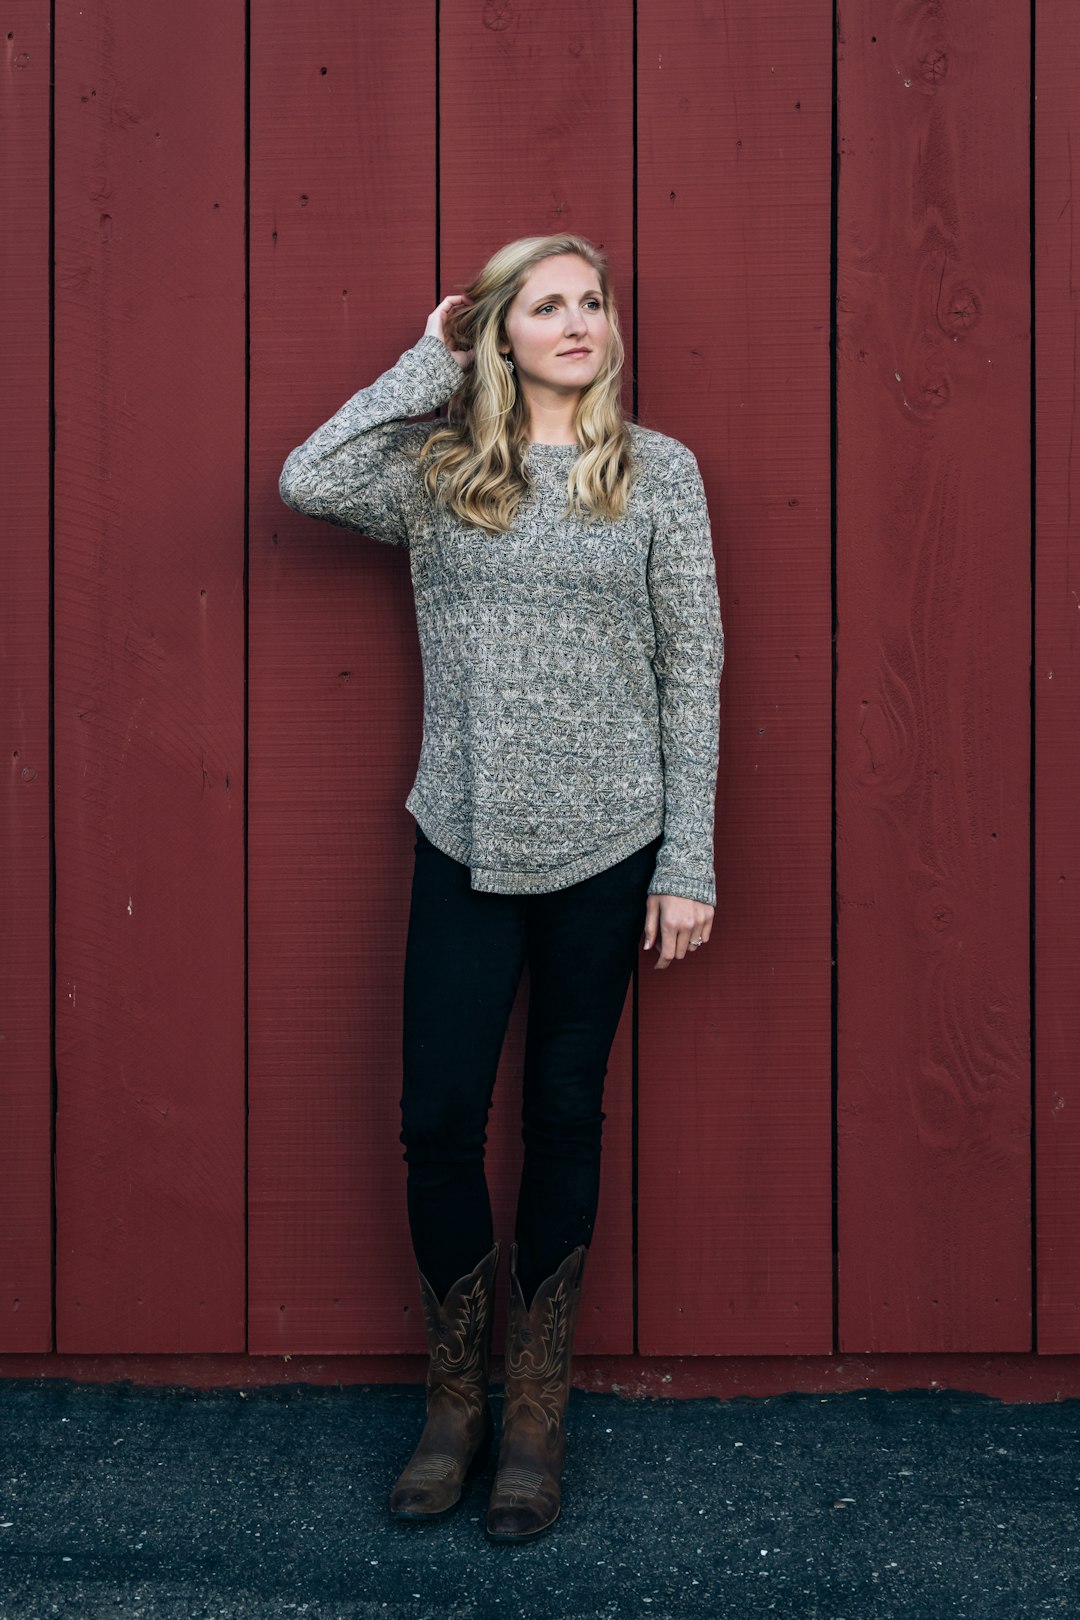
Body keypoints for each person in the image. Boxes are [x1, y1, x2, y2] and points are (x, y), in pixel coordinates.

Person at [278, 233, 725, 1543]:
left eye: (592, 302)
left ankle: (534, 1415)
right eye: (546, 305)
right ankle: (455, 1405)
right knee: (440, 1119)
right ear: (501, 333)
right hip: (465, 834)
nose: (578, 322)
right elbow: (308, 479)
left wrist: (687, 857)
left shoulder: (659, 475)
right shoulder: (439, 472)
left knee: (566, 1117)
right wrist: (427, 355)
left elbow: (692, 669)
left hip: (611, 842)